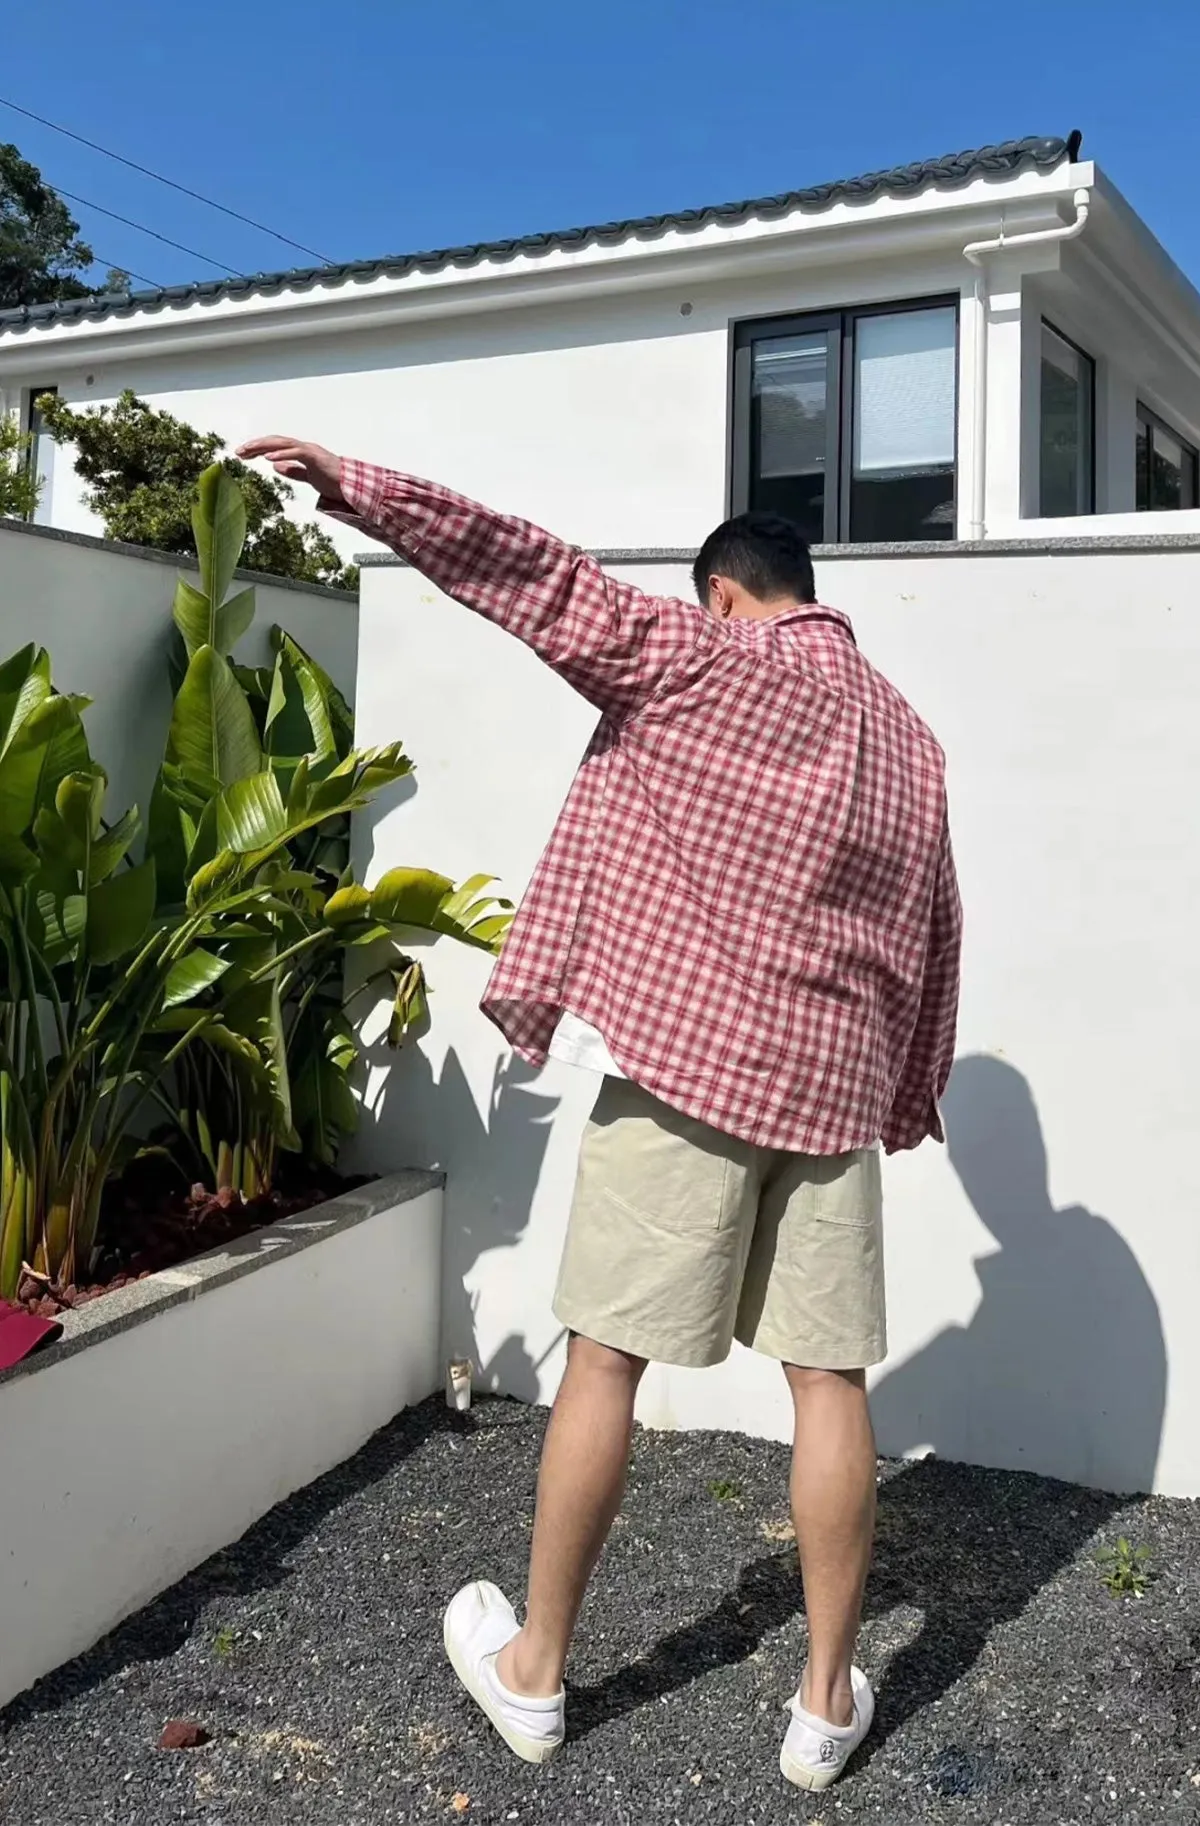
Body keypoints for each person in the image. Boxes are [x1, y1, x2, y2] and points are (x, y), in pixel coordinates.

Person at [238, 436, 963, 1793]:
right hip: (832, 1093)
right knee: (830, 1383)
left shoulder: (702, 660)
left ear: (726, 597)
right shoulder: (913, 741)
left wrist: (363, 489)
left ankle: (537, 1672)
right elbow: (938, 931)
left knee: (608, 1362)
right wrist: (908, 1090)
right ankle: (821, 1707)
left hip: (689, 1071)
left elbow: (537, 578)